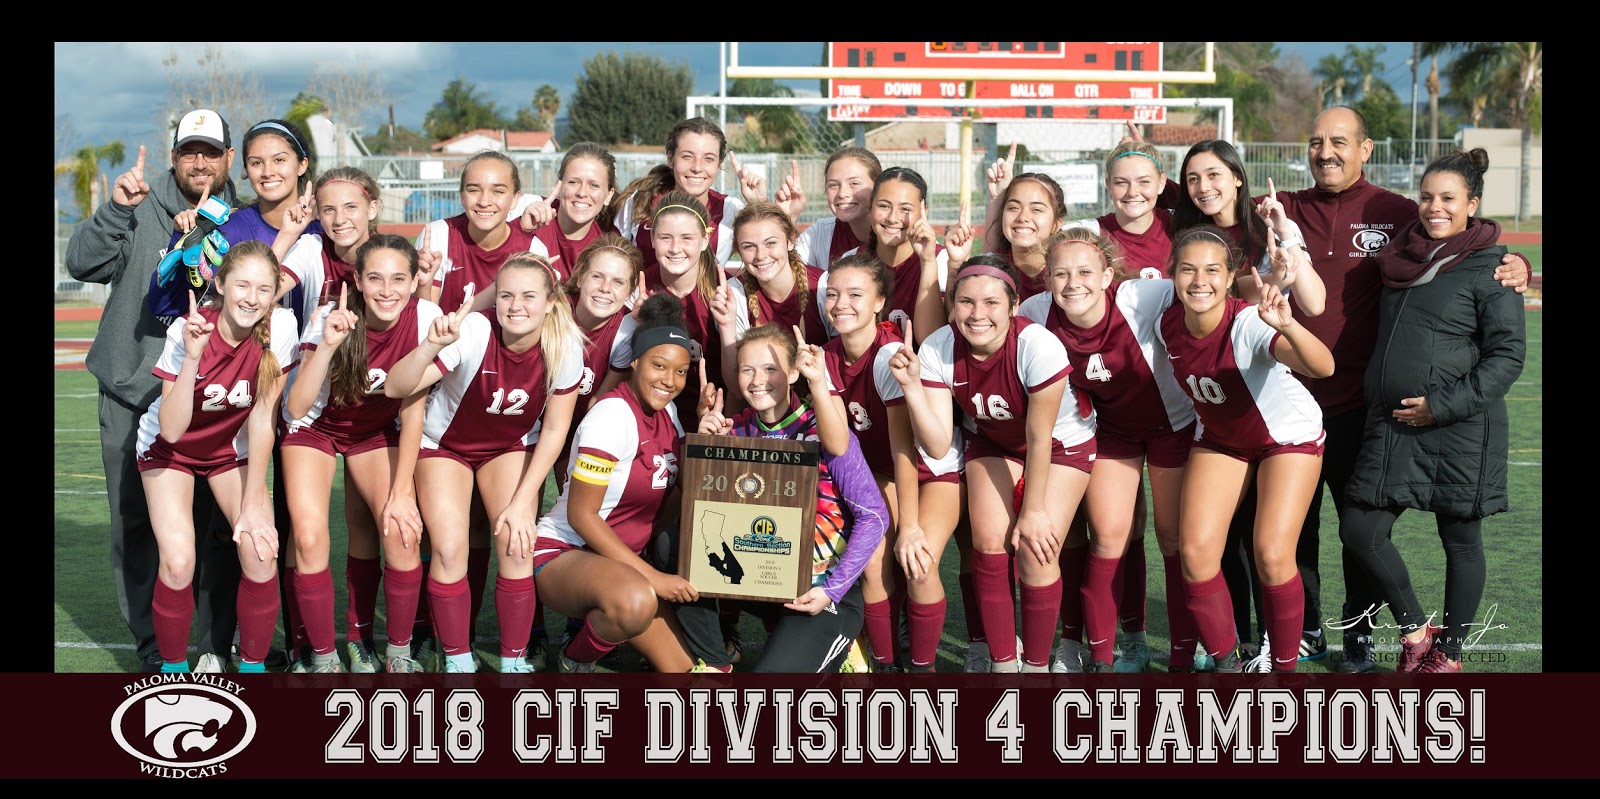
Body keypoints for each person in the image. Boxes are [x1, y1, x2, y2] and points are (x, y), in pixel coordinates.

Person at [1247, 106, 1528, 672]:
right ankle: (1306, 631)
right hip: (1290, 403)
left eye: (1340, 141)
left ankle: (1361, 639)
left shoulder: (1396, 213)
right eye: (1317, 140)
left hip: (1367, 408)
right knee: (1299, 530)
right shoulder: (1287, 212)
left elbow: (1471, 244)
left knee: (1365, 533)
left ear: (1366, 148)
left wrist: (1513, 260)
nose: (1326, 151)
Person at [66, 108, 243, 673]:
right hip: (133, 386)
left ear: (227, 158)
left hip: (212, 397)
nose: (199, 161)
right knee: (137, 523)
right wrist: (117, 208)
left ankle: (216, 643)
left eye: (210, 152)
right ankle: (153, 647)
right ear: (173, 156)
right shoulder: (139, 203)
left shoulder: (241, 220)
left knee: (216, 528)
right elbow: (82, 262)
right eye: (189, 151)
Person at [1338, 149, 1525, 674]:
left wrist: (1441, 407)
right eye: (1426, 196)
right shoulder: (1403, 255)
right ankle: (1418, 633)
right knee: (1360, 529)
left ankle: (1449, 657)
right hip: (1394, 425)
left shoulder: (1494, 267)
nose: (1434, 207)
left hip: (1462, 427)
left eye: (1448, 198)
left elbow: (1507, 356)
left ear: (1473, 204)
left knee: (1461, 541)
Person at [1018, 226, 1211, 673]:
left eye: (1085, 271)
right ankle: (1113, 654)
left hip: (1173, 425)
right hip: (1110, 435)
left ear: (1108, 275)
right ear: (1047, 279)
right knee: (1109, 535)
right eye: (1061, 274)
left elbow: (1205, 293)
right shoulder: (1035, 312)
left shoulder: (1144, 296)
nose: (1073, 283)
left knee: (1173, 536)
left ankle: (1184, 649)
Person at [383, 253, 583, 673]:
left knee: (516, 540)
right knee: (449, 546)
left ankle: (513, 662)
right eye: (506, 295)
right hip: (444, 444)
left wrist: (522, 501)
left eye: (529, 296)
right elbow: (396, 387)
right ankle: (457, 659)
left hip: (507, 446)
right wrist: (431, 346)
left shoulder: (565, 344)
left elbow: (554, 431)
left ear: (550, 302)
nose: (516, 306)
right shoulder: (475, 329)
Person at [900, 254, 1095, 672]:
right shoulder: (938, 346)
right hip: (992, 440)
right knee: (989, 545)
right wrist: (914, 390)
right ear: (952, 305)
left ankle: (1038, 668)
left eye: (991, 303)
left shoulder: (1037, 345)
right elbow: (936, 446)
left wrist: (1034, 510)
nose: (977, 314)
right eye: (966, 302)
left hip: (1060, 443)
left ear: (1012, 305)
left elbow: (1040, 436)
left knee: (1034, 549)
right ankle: (1005, 666)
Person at [1158, 225, 1335, 673]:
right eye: (1188, 270)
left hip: (1285, 436)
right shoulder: (1165, 321)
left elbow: (1323, 366)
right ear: (1172, 275)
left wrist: (1289, 325)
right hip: (1222, 438)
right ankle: (1226, 662)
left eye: (1213, 270)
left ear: (1231, 273)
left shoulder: (1249, 322)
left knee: (1272, 553)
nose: (1200, 281)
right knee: (1195, 554)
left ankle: (1283, 669)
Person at [683, 324, 890, 672]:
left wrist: (832, 590)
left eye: (770, 369)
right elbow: (701, 517)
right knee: (669, 547)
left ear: (794, 372)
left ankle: (846, 649)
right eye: (747, 369)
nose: (756, 380)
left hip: (817, 594)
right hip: (759, 581)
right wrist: (705, 449)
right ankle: (716, 664)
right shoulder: (735, 430)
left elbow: (875, 516)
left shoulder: (823, 430)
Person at [135, 240, 299, 672]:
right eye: (242, 285)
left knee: (261, 549)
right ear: (221, 283)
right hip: (170, 448)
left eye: (264, 289)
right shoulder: (188, 329)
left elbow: (264, 420)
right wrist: (191, 359)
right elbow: (171, 428)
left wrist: (252, 505)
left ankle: (252, 668)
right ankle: (172, 672)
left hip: (229, 449)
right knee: (179, 561)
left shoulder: (281, 328)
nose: (252, 298)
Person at [279, 234, 437, 673]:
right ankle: (323, 657)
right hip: (314, 427)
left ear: (414, 281)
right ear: (359, 282)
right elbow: (295, 407)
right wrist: (328, 344)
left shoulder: (427, 318)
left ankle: (398, 654)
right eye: (376, 278)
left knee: (402, 530)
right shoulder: (331, 319)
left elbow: (414, 411)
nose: (387, 290)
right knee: (310, 538)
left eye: (399, 278)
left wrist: (403, 491)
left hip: (375, 431)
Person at [530, 292, 699, 674]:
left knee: (682, 667)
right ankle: (575, 659)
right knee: (636, 601)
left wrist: (702, 435)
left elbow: (674, 492)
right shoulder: (611, 416)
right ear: (635, 362)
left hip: (620, 560)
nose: (669, 380)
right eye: (659, 366)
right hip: (566, 551)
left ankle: (601, 616)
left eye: (680, 371)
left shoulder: (669, 411)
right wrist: (653, 575)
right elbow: (581, 516)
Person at [822, 252, 963, 671]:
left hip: (928, 473)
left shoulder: (888, 356)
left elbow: (906, 452)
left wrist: (911, 527)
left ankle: (923, 669)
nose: (841, 304)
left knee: (918, 563)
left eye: (854, 294)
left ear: (880, 301)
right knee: (871, 566)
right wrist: (814, 380)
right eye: (832, 294)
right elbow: (837, 442)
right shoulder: (827, 356)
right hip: (880, 473)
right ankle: (886, 666)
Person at [273, 166, 388, 670]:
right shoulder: (309, 249)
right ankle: (307, 643)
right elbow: (257, 287)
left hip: (371, 411)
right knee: (307, 533)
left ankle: (361, 637)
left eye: (350, 207)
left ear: (373, 208)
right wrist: (289, 233)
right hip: (311, 404)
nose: (339, 219)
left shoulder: (390, 259)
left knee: (372, 524)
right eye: (328, 208)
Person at [613, 117, 773, 275]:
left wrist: (760, 204)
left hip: (706, 301)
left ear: (719, 164)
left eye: (708, 159)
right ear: (670, 158)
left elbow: (771, 255)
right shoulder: (640, 201)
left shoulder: (731, 209)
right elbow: (612, 260)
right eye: (687, 157)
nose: (697, 167)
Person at [416, 150, 538, 315]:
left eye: (498, 191)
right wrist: (423, 285)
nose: (484, 202)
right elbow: (424, 323)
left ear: (515, 198)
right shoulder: (438, 237)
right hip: (448, 340)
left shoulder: (532, 250)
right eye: (474, 190)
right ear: (462, 195)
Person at [521, 142, 618, 283]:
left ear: (608, 195)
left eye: (594, 185)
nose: (582, 193)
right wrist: (520, 232)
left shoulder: (605, 253)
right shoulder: (529, 218)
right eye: (573, 182)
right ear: (559, 186)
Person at [794, 147, 881, 270]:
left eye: (854, 183)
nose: (842, 193)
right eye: (833, 185)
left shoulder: (896, 234)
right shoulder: (820, 234)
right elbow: (784, 277)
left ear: (878, 186)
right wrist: (786, 217)